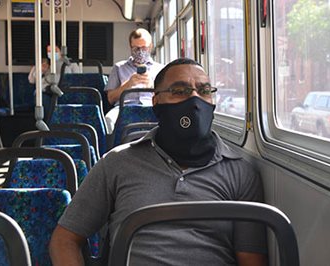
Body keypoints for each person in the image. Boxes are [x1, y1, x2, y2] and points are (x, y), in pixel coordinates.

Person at [49, 58, 268, 265]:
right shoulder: (117, 163)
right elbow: (65, 239)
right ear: (156, 101)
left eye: (204, 91)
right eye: (179, 91)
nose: (194, 101)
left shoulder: (240, 173)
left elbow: (250, 260)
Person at [104, 28, 164, 134]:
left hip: (152, 106)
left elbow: (166, 96)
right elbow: (110, 99)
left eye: (144, 48)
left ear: (150, 47)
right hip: (124, 107)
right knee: (108, 120)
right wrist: (128, 84)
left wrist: (152, 86)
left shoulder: (160, 69)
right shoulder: (119, 67)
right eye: (136, 48)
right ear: (130, 47)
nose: (140, 52)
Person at [28, 44, 80, 115]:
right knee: (44, 102)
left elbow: (77, 80)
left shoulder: (71, 64)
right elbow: (31, 80)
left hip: (65, 91)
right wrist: (41, 70)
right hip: (46, 91)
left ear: (61, 51)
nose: (52, 53)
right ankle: (49, 123)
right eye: (49, 51)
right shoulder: (43, 63)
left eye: (55, 50)